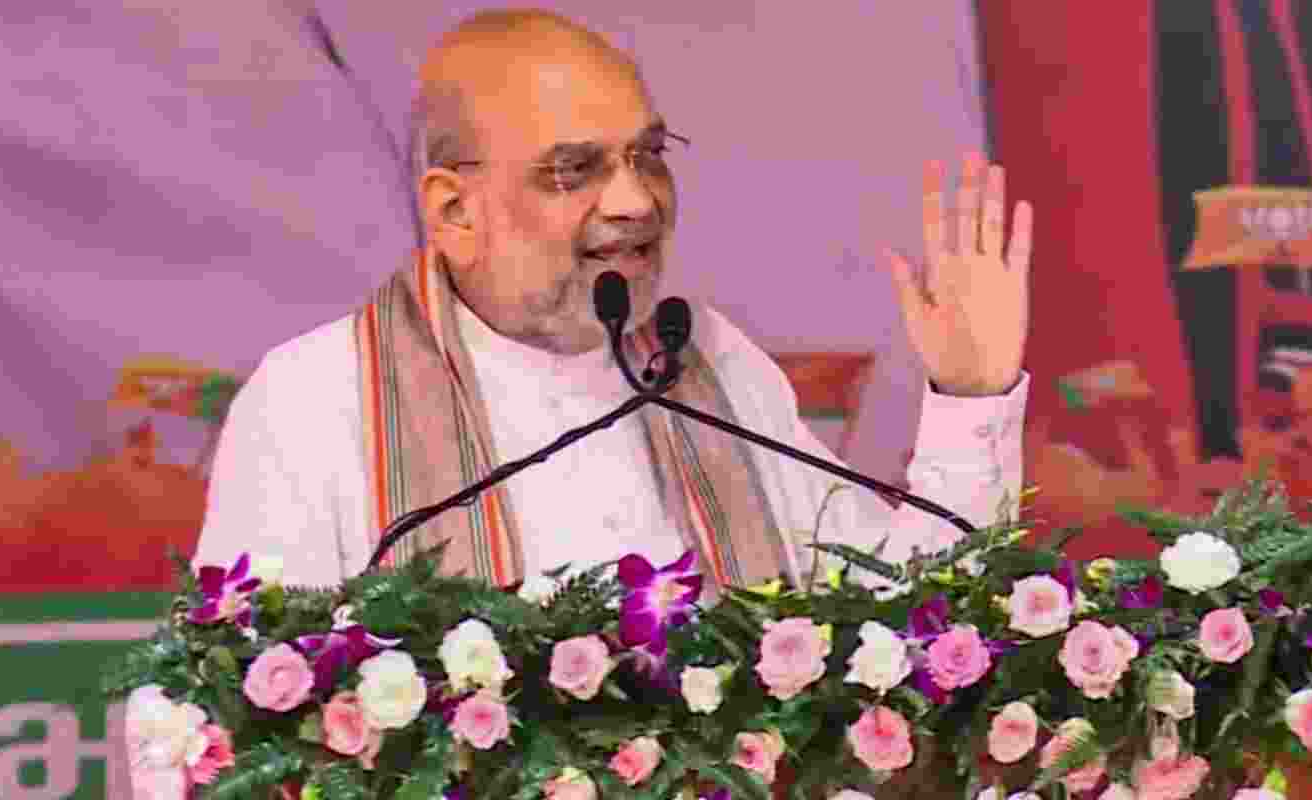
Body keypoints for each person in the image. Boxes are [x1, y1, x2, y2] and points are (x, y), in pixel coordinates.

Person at [190, 8, 1035, 593]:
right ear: (453, 210)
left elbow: (905, 635)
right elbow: (236, 707)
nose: (635, 201)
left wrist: (971, 398)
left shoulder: (708, 366)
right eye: (575, 169)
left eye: (648, 155)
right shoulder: (320, 398)